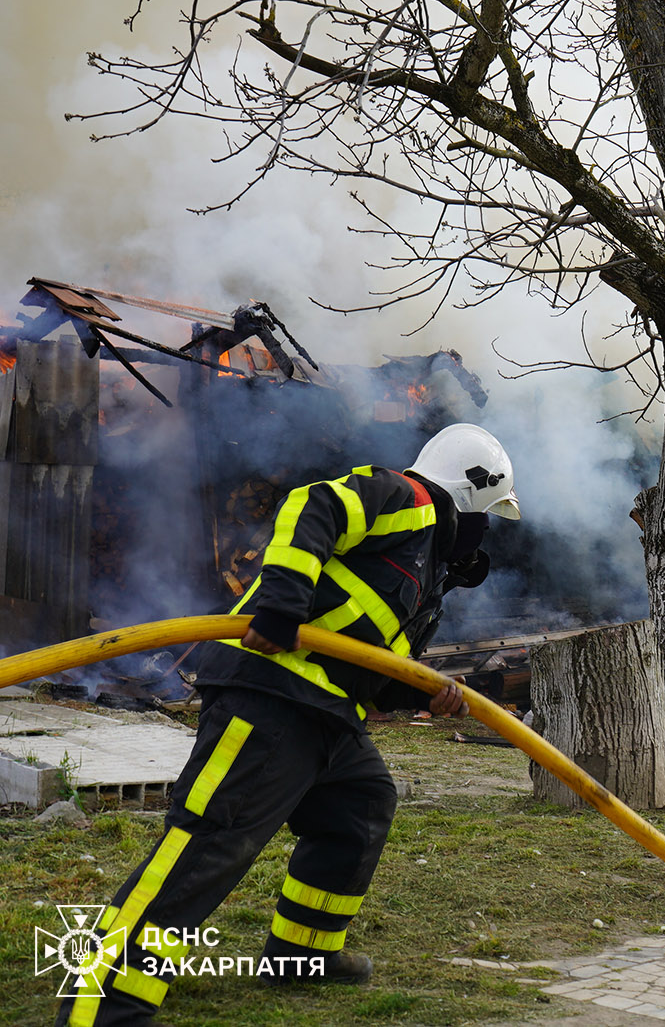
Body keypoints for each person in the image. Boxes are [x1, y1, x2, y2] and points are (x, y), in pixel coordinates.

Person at [58, 423, 521, 1026]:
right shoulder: (405, 501)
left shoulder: (424, 566)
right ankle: (103, 1003)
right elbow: (312, 505)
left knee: (359, 806)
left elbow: (364, 660)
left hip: (326, 713)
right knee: (207, 846)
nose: (484, 537)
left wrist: (424, 690)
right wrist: (280, 604)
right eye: (488, 518)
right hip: (272, 695)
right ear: (471, 496)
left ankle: (302, 954)